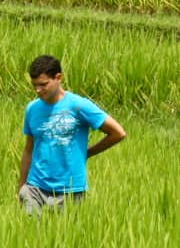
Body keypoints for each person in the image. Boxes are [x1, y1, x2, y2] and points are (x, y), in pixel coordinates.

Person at [17, 55, 126, 214]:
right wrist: (21, 187)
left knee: (65, 237)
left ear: (58, 78)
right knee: (29, 237)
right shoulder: (32, 109)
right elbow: (29, 149)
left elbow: (118, 133)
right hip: (34, 188)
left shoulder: (78, 105)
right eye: (34, 85)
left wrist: (87, 153)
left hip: (69, 191)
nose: (38, 90)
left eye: (43, 84)